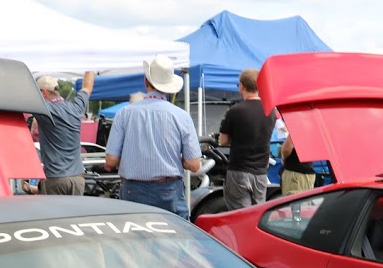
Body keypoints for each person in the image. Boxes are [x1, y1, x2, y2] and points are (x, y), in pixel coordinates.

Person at [104, 54, 201, 219]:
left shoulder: (124, 114)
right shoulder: (181, 116)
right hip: (169, 190)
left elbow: (111, 161)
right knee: (173, 241)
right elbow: (194, 165)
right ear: (170, 86)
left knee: (136, 242)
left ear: (146, 81)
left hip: (133, 190)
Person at [217, 69, 277, 210]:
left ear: (242, 86)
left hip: (239, 169)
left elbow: (223, 141)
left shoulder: (234, 111)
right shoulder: (271, 111)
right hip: (261, 171)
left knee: (240, 214)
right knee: (256, 213)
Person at [33, 71, 95, 195]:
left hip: (56, 178)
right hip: (78, 178)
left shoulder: (45, 110)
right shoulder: (76, 107)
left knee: (55, 214)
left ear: (44, 93)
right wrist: (90, 69)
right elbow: (87, 88)